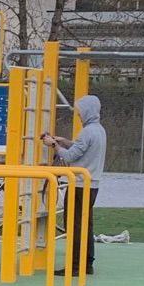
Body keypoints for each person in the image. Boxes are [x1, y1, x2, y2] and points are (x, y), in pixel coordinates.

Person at [41, 93, 106, 274]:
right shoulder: (99, 130)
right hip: (92, 185)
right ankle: (87, 263)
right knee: (86, 224)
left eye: (80, 112)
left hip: (78, 185)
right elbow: (81, 150)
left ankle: (75, 266)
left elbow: (70, 157)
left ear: (87, 111)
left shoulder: (86, 132)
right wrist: (66, 142)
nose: (78, 115)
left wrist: (53, 145)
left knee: (75, 226)